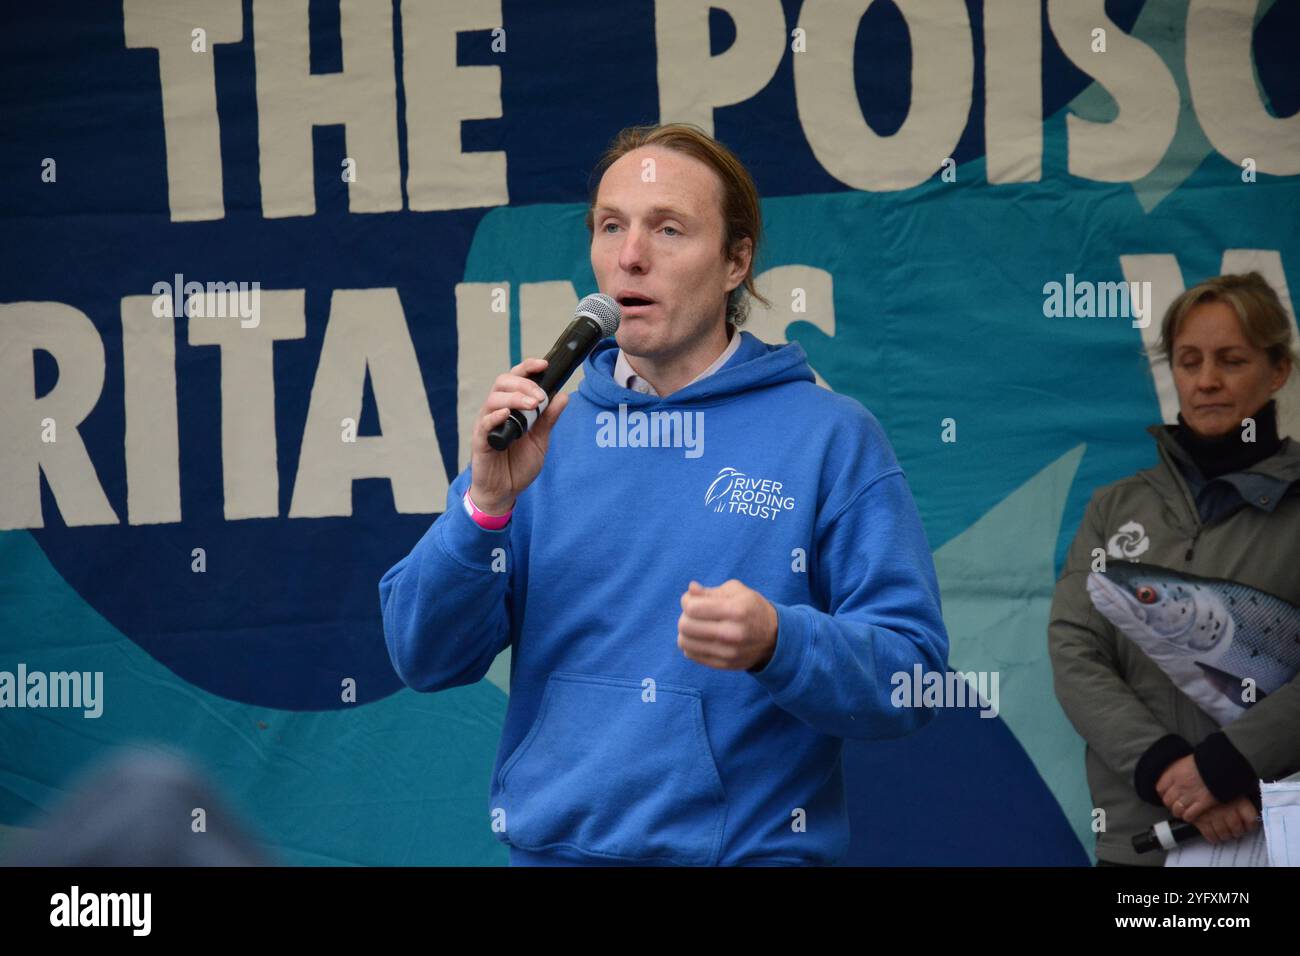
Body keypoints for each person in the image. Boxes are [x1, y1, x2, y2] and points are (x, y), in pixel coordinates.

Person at [378, 122, 949, 866]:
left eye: (668, 228)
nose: (630, 255)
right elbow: (421, 657)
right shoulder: (542, 432)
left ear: (735, 261)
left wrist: (781, 641)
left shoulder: (828, 434)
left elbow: (913, 679)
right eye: (610, 226)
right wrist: (484, 506)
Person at [1049, 271, 1300, 866]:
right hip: (1142, 841)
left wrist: (1229, 765)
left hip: (1278, 838)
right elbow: (1074, 650)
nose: (1207, 380)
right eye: (1189, 361)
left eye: (1231, 360)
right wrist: (1166, 770)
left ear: (1278, 371)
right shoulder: (1115, 507)